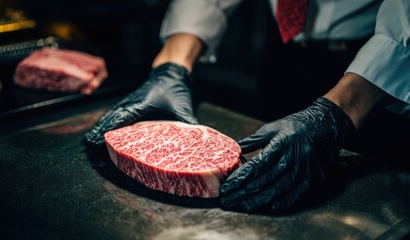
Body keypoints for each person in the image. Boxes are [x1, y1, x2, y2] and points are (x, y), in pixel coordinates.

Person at [86, 0, 410, 213]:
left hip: (383, 75)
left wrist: (339, 112)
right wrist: (173, 61)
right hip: (284, 53)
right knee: (273, 171)